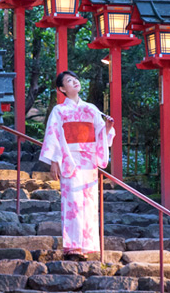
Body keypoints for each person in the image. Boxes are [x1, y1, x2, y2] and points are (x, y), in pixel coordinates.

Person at [39, 71, 115, 261]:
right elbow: (53, 135)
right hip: (69, 159)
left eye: (76, 80)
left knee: (89, 203)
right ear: (62, 89)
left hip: (88, 161)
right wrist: (54, 161)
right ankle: (73, 247)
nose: (74, 82)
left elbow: (100, 135)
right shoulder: (59, 111)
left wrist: (107, 128)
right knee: (72, 203)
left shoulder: (91, 109)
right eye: (69, 81)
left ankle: (87, 245)